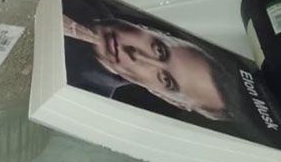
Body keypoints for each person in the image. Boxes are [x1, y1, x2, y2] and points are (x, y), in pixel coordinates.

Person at [63, 14, 247, 124]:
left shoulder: (77, 100)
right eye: (159, 50)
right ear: (159, 33)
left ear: (164, 97)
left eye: (166, 80)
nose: (135, 55)